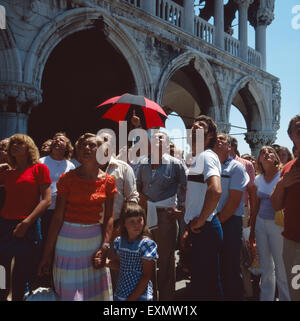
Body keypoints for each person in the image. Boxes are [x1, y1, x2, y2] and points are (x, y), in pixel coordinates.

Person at [38, 133, 117, 301]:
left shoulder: (109, 181)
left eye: (91, 145)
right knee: (69, 295)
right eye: (82, 146)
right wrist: (46, 255)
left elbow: (109, 217)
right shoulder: (67, 179)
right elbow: (57, 218)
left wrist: (105, 246)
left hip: (94, 243)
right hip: (67, 243)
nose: (86, 148)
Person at [0, 134, 51, 301]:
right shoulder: (7, 172)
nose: (14, 145)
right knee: (2, 270)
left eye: (19, 143)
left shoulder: (39, 168)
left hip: (28, 224)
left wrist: (27, 222)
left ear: (29, 147)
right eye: (12, 143)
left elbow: (47, 200)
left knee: (21, 272)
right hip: (5, 225)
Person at [136, 131, 186, 301]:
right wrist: (142, 198)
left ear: (167, 144)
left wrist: (182, 211)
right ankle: (150, 297)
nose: (157, 140)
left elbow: (185, 189)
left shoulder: (176, 164)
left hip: (167, 218)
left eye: (161, 138)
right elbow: (137, 187)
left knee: (166, 260)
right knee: (147, 260)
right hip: (146, 217)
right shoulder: (143, 164)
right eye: (155, 138)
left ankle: (166, 300)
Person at [183, 115, 223, 301]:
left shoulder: (207, 156)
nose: (194, 128)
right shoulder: (198, 158)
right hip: (200, 228)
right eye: (193, 126)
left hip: (205, 228)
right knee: (202, 284)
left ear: (209, 136)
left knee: (207, 287)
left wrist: (200, 220)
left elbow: (215, 190)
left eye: (200, 126)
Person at [250, 146, 290, 301]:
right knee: (266, 267)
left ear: (276, 158)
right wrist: (252, 230)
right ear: (259, 159)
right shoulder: (258, 179)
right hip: (261, 224)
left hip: (278, 225)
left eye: (270, 152)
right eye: (263, 153)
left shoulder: (282, 175)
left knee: (281, 268)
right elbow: (255, 207)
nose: (267, 154)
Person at [213, 133, 249, 301]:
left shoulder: (236, 167)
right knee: (216, 266)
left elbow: (234, 201)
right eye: (216, 139)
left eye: (223, 139)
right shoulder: (210, 166)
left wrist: (217, 221)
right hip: (213, 220)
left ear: (230, 147)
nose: (218, 141)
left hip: (230, 222)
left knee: (231, 267)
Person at [271, 114, 300, 301]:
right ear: (291, 136)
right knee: (297, 293)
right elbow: (275, 205)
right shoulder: (288, 168)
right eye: (298, 129)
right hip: (294, 244)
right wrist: (282, 184)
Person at [107, 202, 158, 301]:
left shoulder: (146, 245)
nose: (137, 225)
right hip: (122, 293)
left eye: (140, 220)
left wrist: (131, 299)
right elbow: (120, 265)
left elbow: (146, 276)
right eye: (132, 221)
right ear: (124, 223)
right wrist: (105, 262)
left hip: (140, 296)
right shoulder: (119, 242)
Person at [39, 132, 75, 247]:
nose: (57, 141)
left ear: (67, 147)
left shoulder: (71, 166)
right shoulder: (40, 162)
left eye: (61, 140)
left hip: (61, 211)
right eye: (55, 139)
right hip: (43, 210)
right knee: (42, 241)